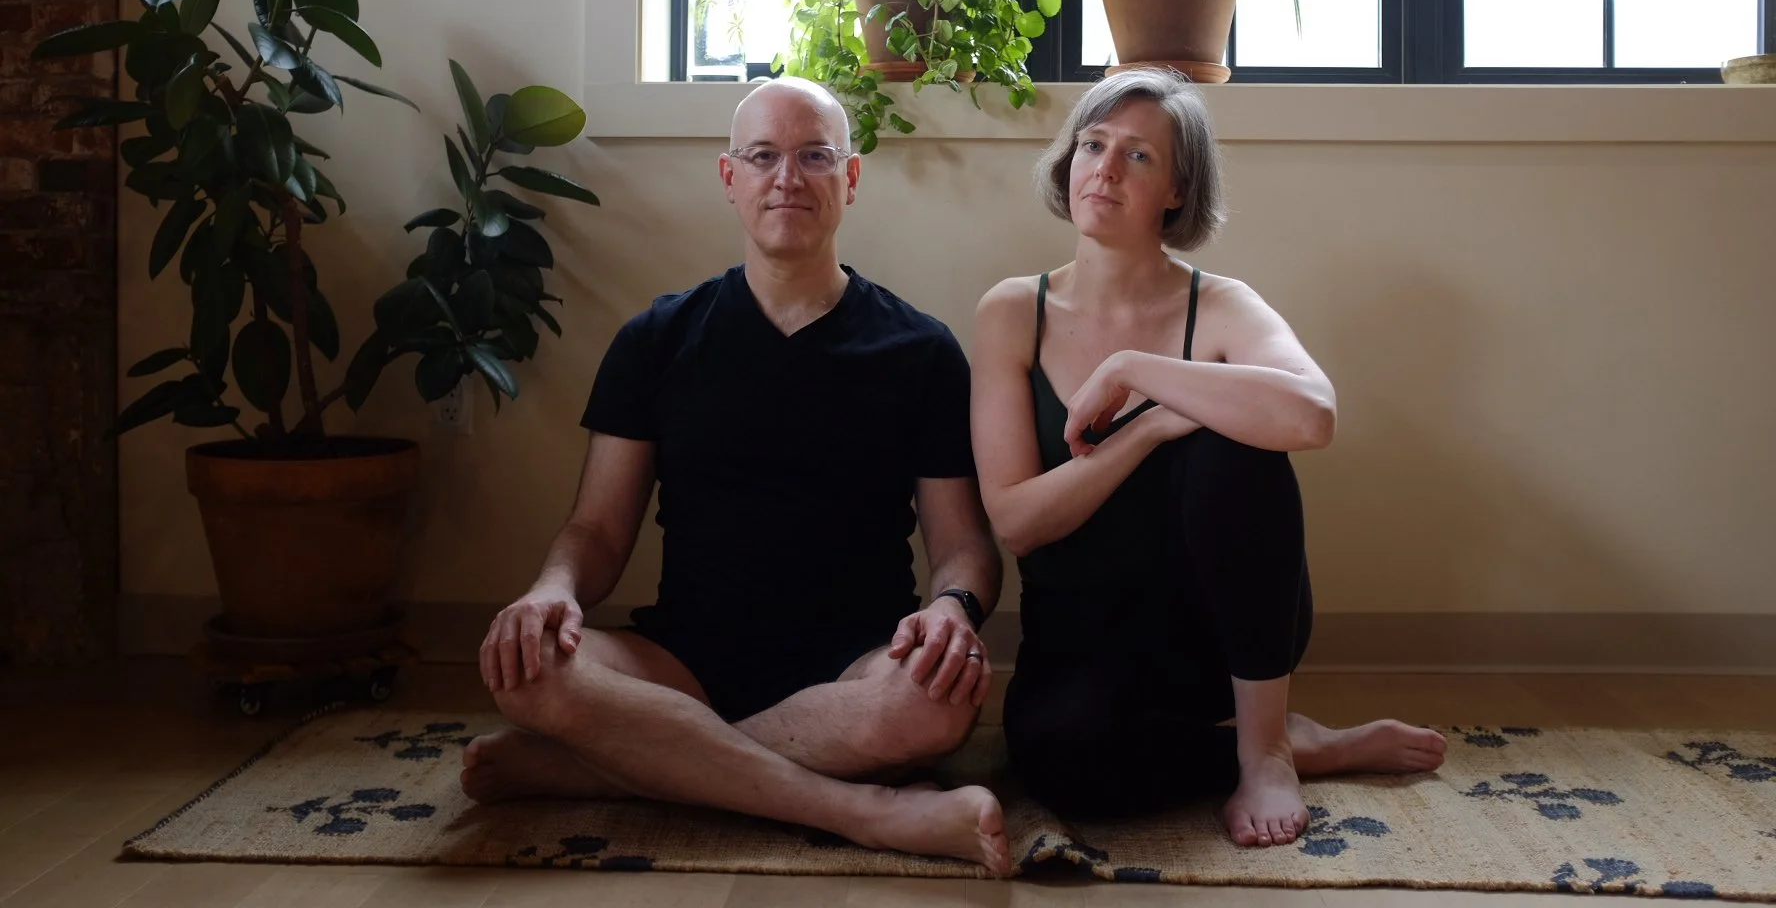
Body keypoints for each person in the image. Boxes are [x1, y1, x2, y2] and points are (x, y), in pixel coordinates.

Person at [461, 77, 1010, 874]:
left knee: (939, 699)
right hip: (680, 664)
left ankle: (604, 768)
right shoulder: (656, 338)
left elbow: (966, 547)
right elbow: (596, 529)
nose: (787, 177)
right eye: (763, 157)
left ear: (850, 178)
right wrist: (553, 591)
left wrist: (954, 610)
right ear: (731, 178)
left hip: (857, 664)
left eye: (814, 156)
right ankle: (862, 810)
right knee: (526, 666)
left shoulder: (922, 352)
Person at [970, 68, 1446, 847]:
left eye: (1140, 157)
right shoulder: (1012, 310)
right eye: (1094, 145)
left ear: (1176, 192)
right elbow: (1017, 522)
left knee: (1238, 445)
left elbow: (1313, 414)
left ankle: (1264, 750)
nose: (1107, 169)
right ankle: (1299, 745)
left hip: (1216, 638)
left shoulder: (1219, 306)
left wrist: (1137, 374)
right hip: (1081, 636)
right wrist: (1152, 428)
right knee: (1062, 765)